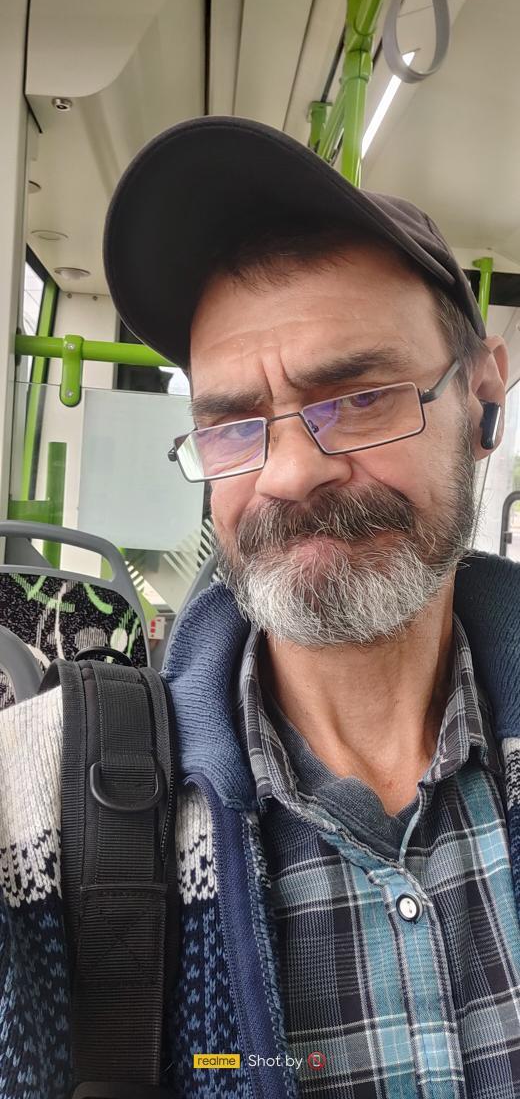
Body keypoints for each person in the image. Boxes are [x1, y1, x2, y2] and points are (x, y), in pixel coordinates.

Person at [1, 117, 519, 1099]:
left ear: (484, 396)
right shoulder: (40, 812)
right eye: (234, 423)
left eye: (359, 397)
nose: (287, 474)